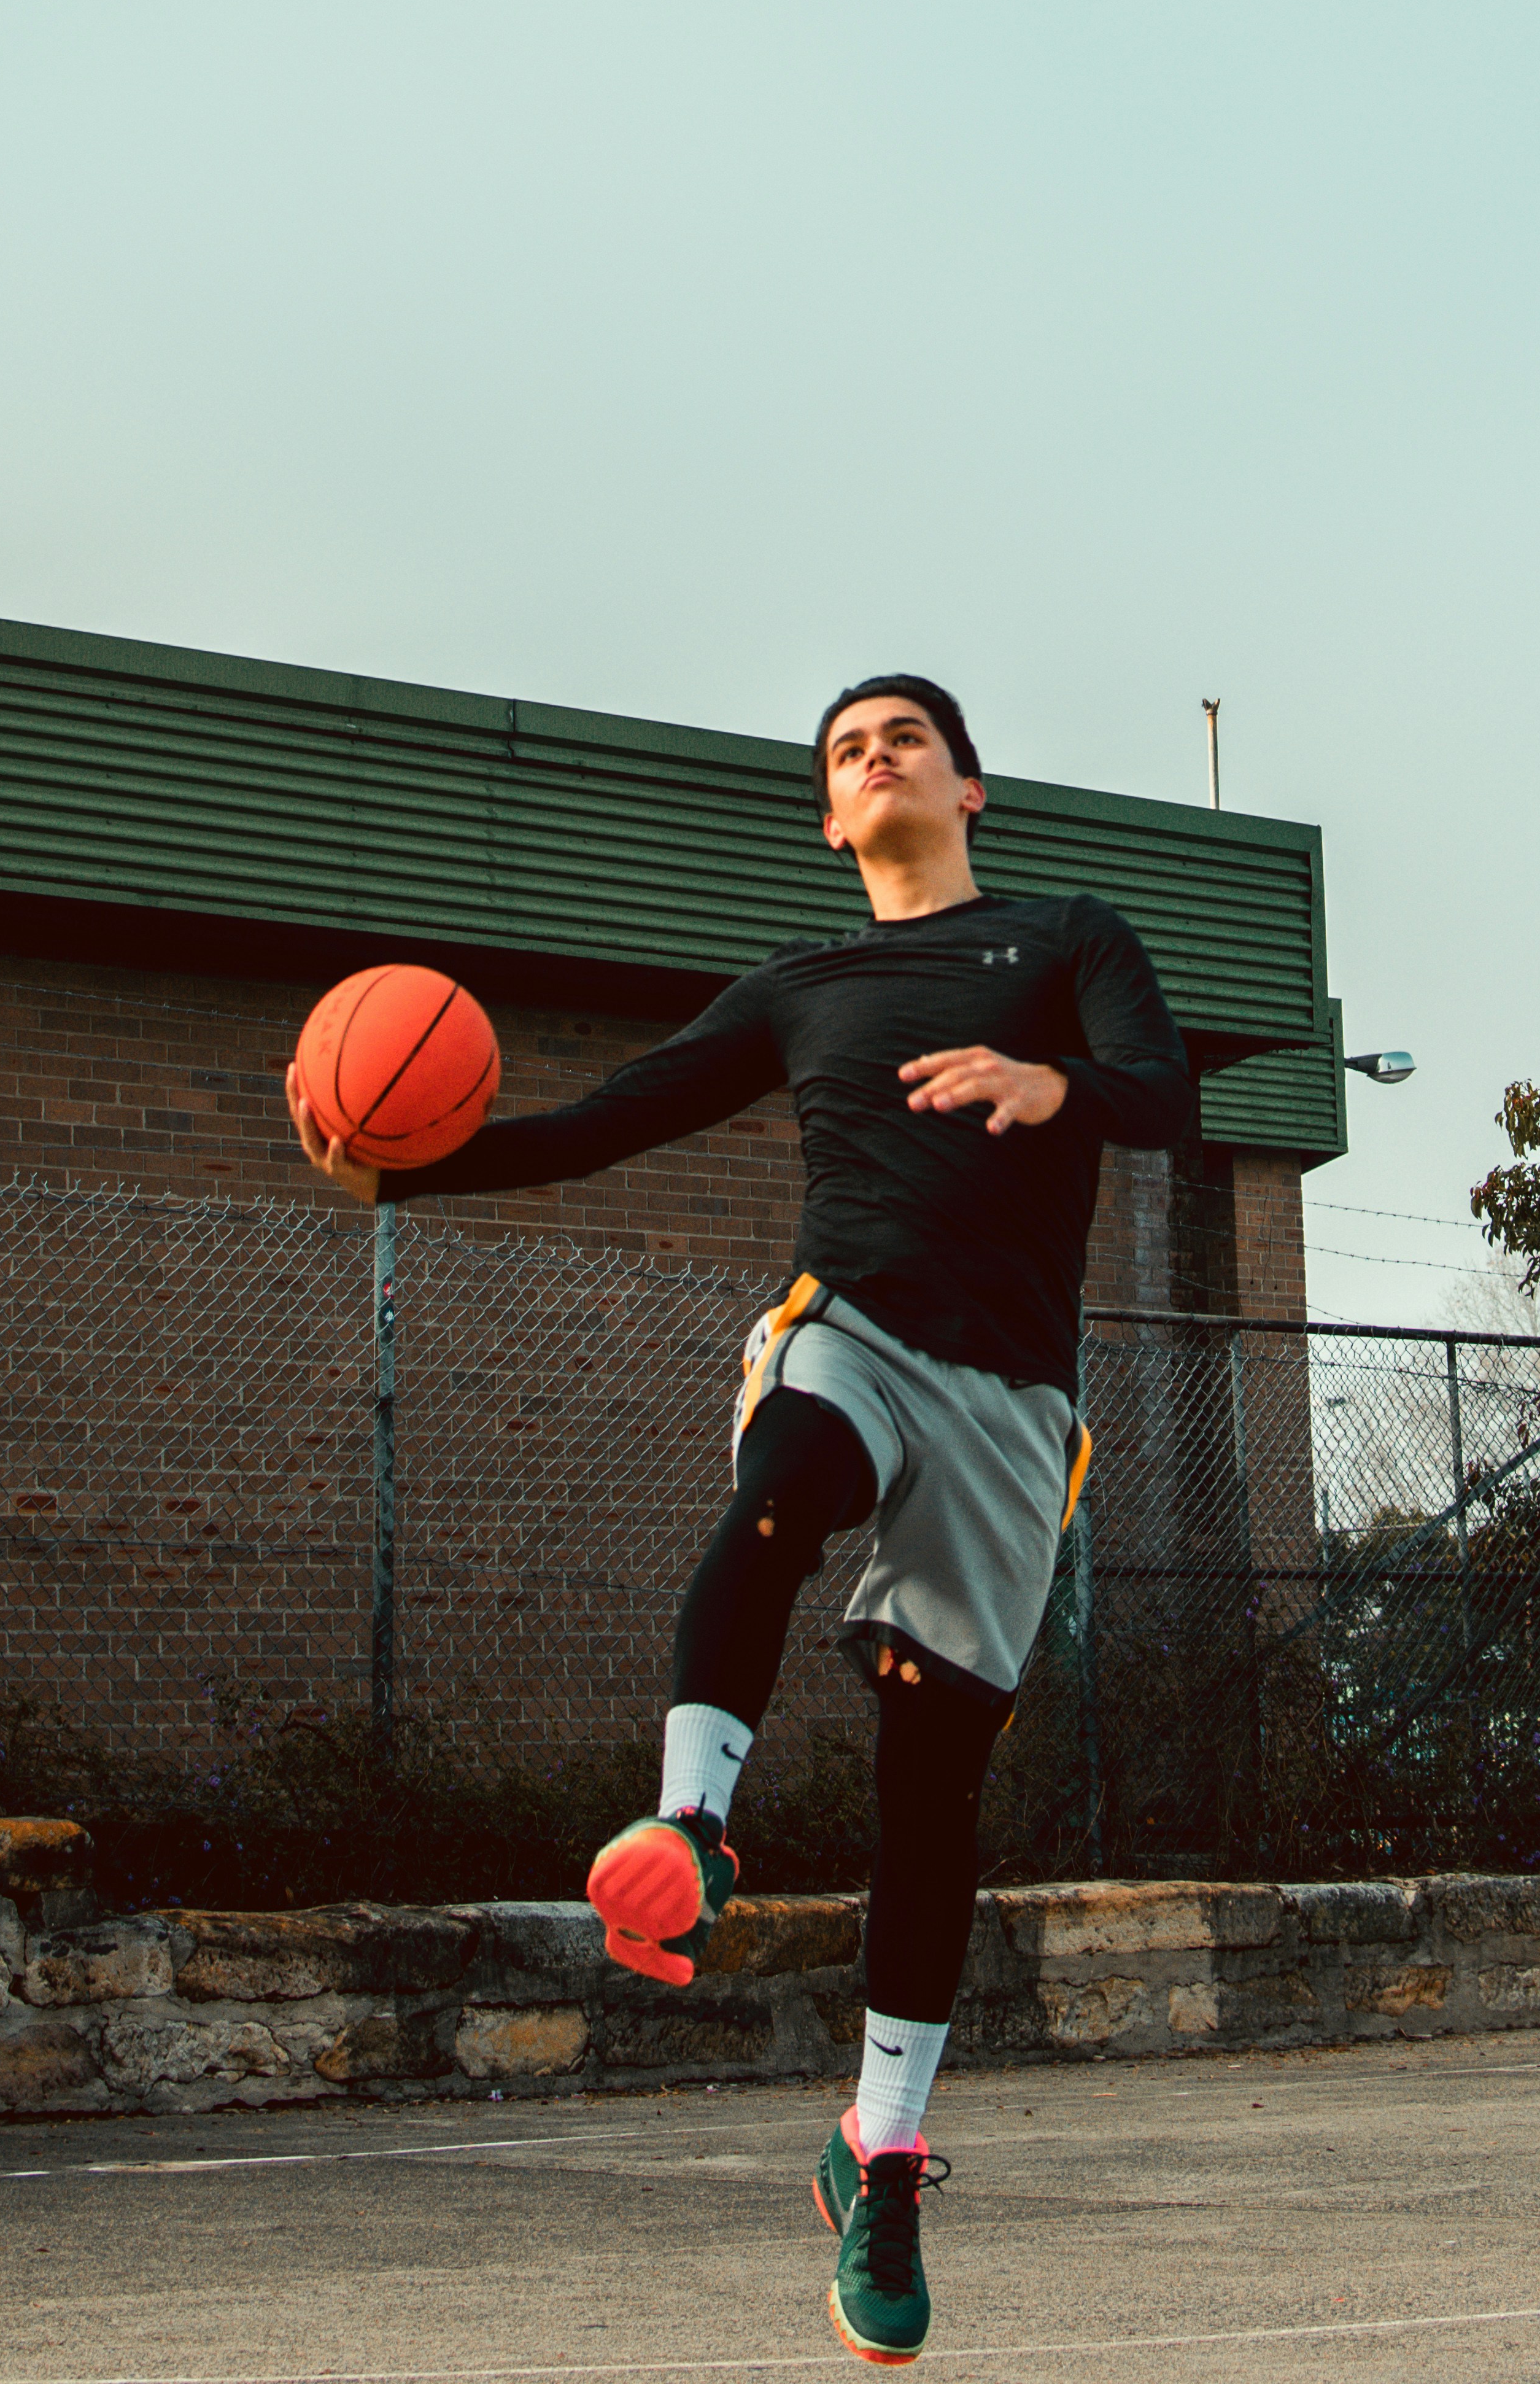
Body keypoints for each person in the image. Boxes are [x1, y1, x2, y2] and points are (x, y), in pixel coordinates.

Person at [287, 673, 1192, 2367]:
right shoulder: (801, 988)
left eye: (903, 739)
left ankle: (883, 2156)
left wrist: (1050, 1081)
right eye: (848, 753)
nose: (876, 761)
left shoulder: (1069, 937)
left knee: (933, 1799)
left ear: (969, 788)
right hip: (854, 1328)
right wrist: (399, 1173)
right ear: (830, 816)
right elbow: (601, 1126)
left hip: (1013, 1403)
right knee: (784, 1479)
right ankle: (690, 1831)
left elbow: (1166, 1091)